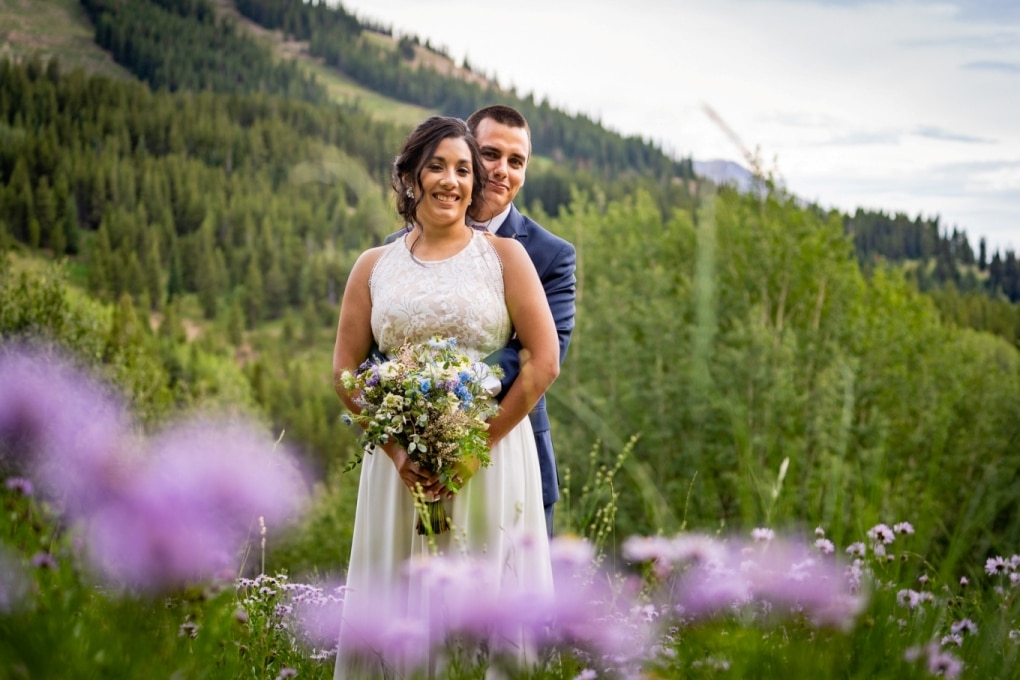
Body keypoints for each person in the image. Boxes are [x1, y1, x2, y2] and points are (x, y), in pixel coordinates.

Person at [332, 116, 559, 677]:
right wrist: (398, 453)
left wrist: (469, 449)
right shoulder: (372, 265)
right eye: (436, 166)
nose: (450, 181)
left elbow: (543, 360)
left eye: (463, 170)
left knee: (481, 615)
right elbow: (344, 370)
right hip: (397, 469)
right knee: (399, 613)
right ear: (410, 176)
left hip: (489, 458)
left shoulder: (506, 258)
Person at [465, 105, 577, 537]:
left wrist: (457, 386)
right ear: (466, 151)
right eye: (490, 154)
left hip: (515, 452)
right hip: (413, 458)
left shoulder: (551, 254)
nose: (501, 171)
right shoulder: (399, 246)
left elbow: (544, 352)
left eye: (516, 161)